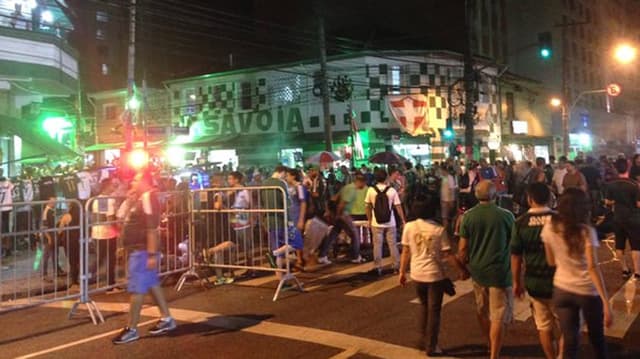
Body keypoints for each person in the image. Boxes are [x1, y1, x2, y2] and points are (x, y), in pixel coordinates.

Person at [541, 188, 612, 359]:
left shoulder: (549, 227)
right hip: (587, 291)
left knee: (570, 342)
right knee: (597, 339)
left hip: (562, 289)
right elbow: (592, 267)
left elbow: (550, 261)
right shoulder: (586, 232)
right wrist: (606, 302)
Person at [113, 172, 176, 344]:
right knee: (152, 285)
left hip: (141, 251)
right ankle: (167, 319)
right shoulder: (140, 198)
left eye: (136, 179)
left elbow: (152, 228)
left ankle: (131, 329)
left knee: (137, 290)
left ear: (144, 181)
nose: (132, 181)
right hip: (139, 250)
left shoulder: (148, 197)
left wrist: (151, 254)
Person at [399, 196, 467, 357]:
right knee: (434, 311)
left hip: (416, 274)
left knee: (424, 307)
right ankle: (432, 345)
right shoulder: (438, 230)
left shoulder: (409, 227)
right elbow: (448, 255)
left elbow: (406, 251)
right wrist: (461, 269)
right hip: (434, 275)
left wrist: (402, 272)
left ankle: (424, 339)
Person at [458, 180, 515, 359]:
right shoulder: (506, 216)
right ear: (494, 194)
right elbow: (515, 246)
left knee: (482, 311)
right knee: (498, 314)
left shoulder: (468, 217)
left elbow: (462, 249)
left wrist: (463, 267)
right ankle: (494, 353)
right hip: (500, 272)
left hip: (478, 271)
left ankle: (489, 342)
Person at [510, 183, 561, 359]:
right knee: (565, 325)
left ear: (529, 199)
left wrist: (517, 282)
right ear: (549, 198)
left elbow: (516, 256)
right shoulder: (559, 219)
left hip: (534, 282)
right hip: (560, 281)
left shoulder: (520, 223)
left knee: (543, 325)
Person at [317, 174, 367, 264]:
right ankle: (355, 256)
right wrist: (338, 214)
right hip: (344, 214)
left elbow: (334, 198)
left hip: (339, 214)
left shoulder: (347, 187)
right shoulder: (352, 190)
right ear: (361, 182)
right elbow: (342, 204)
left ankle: (322, 255)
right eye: (364, 184)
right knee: (355, 234)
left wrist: (332, 212)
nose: (364, 186)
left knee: (333, 234)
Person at [604, 158, 640, 280]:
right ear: (628, 168)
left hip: (618, 217)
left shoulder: (611, 184)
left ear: (616, 169)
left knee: (620, 245)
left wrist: (616, 201)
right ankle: (637, 271)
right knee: (635, 245)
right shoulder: (634, 185)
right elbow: (639, 204)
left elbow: (608, 202)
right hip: (633, 218)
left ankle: (624, 269)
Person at [365, 169, 406, 275]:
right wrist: (403, 220)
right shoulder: (392, 190)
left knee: (377, 245)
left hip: (376, 222)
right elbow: (398, 206)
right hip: (390, 222)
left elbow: (367, 207)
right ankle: (396, 266)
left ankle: (378, 267)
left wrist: (369, 219)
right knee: (392, 244)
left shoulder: (371, 190)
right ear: (386, 178)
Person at [91, 179, 119, 287]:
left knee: (102, 258)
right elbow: (110, 217)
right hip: (107, 233)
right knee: (108, 258)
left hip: (98, 233)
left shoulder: (97, 199)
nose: (114, 187)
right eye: (113, 185)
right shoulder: (107, 200)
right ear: (107, 186)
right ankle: (110, 284)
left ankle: (87, 276)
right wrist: (118, 230)